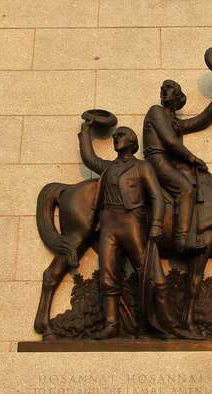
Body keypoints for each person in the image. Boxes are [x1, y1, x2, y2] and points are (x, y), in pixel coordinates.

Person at [78, 118, 200, 339]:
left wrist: (155, 225)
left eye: (120, 135)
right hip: (109, 225)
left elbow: (157, 198)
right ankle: (111, 324)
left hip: (133, 223)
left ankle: (164, 324)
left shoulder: (143, 167)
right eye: (115, 136)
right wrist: (85, 130)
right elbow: (89, 158)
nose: (115, 138)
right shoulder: (108, 168)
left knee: (152, 275)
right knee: (107, 275)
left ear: (132, 141)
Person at [142, 75, 212, 253]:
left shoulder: (175, 123)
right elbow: (170, 142)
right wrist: (193, 159)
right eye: (163, 88)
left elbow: (203, 119)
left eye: (170, 88)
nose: (164, 91)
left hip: (169, 162)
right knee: (186, 190)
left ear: (178, 98)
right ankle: (181, 240)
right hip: (157, 160)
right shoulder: (156, 111)